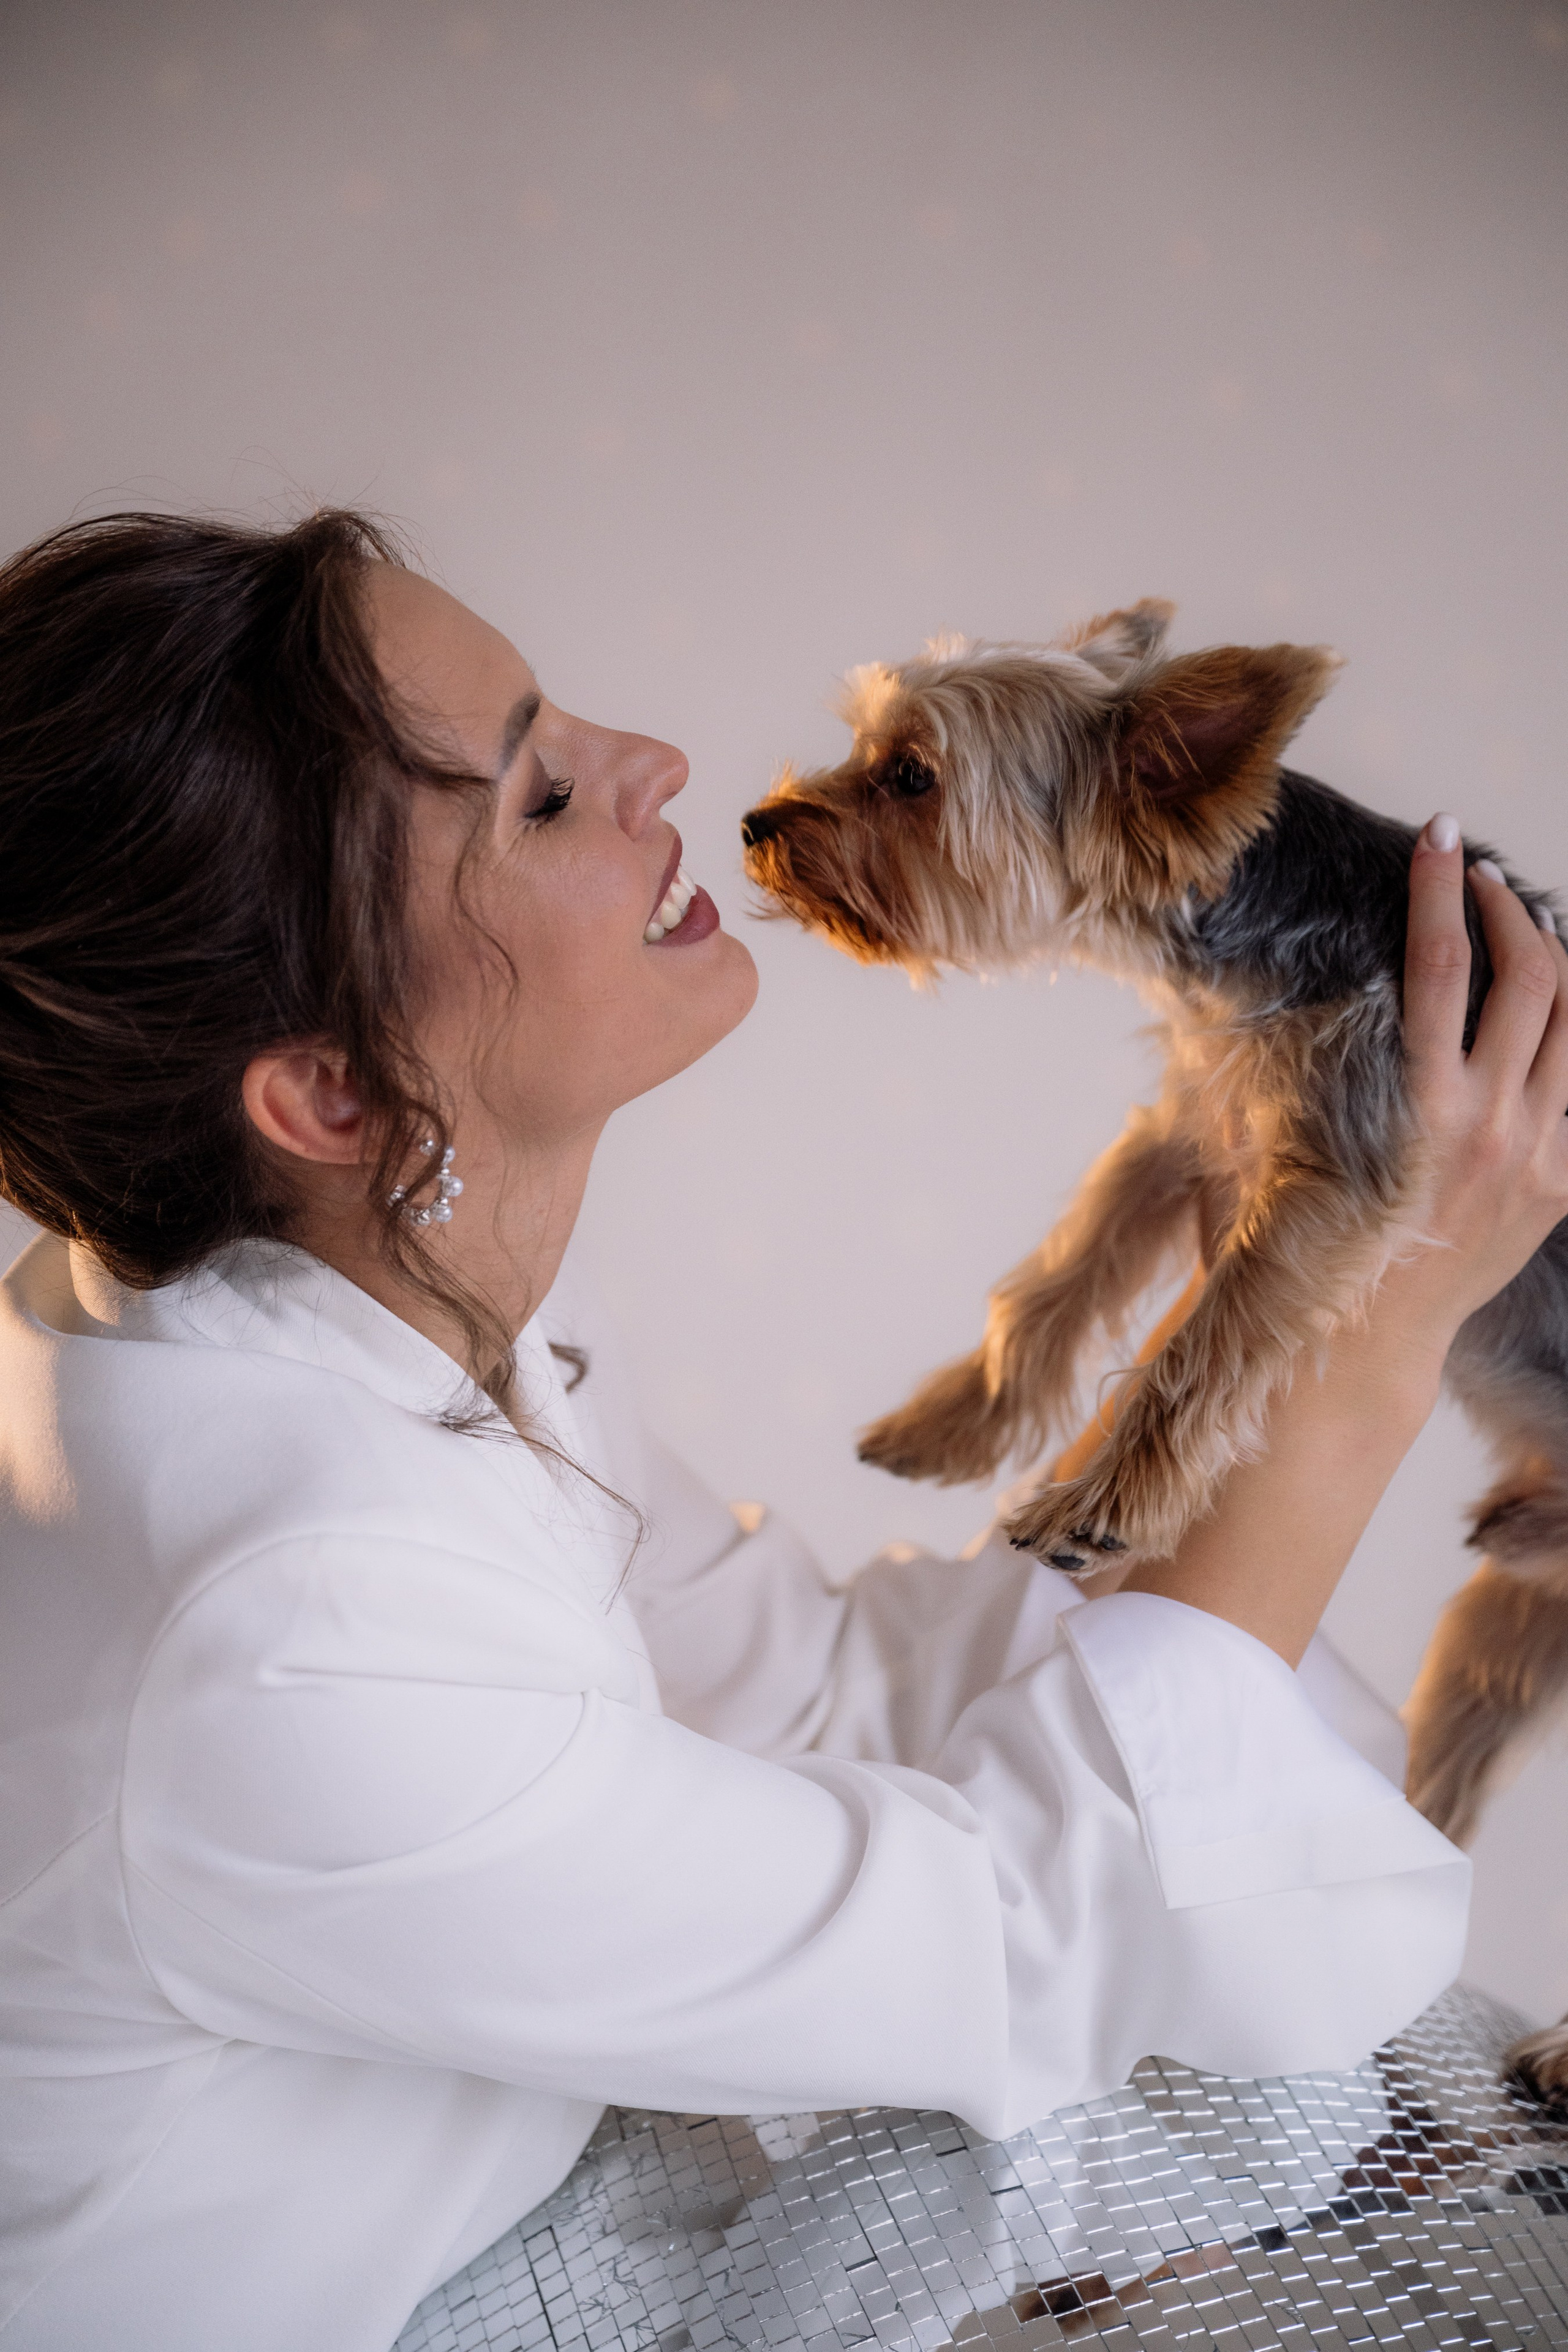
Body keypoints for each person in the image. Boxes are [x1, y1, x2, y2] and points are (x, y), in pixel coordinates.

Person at [0, 510, 1562, 2352]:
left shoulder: (338, 1326)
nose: (659, 764)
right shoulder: (289, 1629)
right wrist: (1372, 1337)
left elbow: (810, 1688)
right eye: (543, 800)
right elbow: (1022, 1947)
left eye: (567, 724)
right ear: (336, 1091)